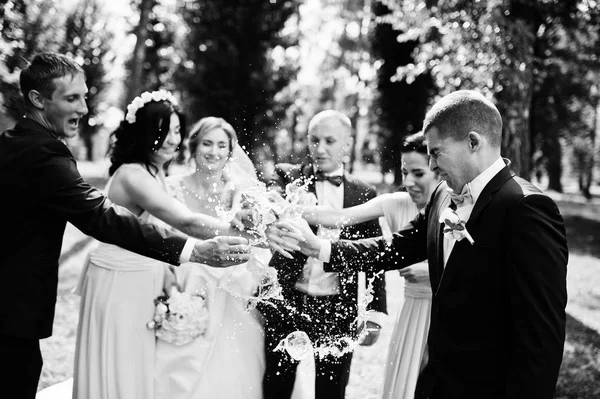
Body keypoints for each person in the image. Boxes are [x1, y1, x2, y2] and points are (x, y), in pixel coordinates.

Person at [0, 52, 256, 399]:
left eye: (85, 97)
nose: (84, 108)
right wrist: (194, 250)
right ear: (37, 99)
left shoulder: (15, 144)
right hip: (13, 310)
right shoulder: (44, 155)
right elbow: (103, 217)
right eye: (71, 98)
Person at [293, 90, 568, 399]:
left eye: (436, 152)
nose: (433, 165)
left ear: (473, 142)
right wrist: (320, 248)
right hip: (438, 380)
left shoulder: (526, 207)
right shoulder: (441, 195)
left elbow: (541, 337)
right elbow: (395, 246)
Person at [71, 95, 300, 399]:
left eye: (176, 130)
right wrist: (255, 234)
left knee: (137, 367)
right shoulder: (132, 174)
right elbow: (187, 222)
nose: (170, 140)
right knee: (120, 365)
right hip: (119, 279)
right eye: (162, 131)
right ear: (141, 132)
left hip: (145, 279)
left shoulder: (154, 173)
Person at [301, 132, 439, 399]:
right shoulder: (396, 204)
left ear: (438, 170)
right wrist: (288, 210)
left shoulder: (459, 206)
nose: (408, 182)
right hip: (412, 313)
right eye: (404, 172)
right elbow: (339, 217)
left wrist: (432, 273)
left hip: (443, 313)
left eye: (418, 174)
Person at [261, 110, 388, 399]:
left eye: (330, 141)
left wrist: (374, 313)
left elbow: (372, 254)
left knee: (332, 390)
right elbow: (269, 200)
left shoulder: (365, 194)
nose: (320, 148)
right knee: (276, 386)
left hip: (337, 307)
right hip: (287, 300)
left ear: (347, 144)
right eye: (314, 140)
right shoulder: (288, 176)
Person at [154, 116, 268, 398]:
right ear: (193, 147)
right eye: (207, 143)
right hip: (182, 288)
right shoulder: (170, 186)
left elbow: (257, 241)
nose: (213, 151)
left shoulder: (242, 192)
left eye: (221, 145)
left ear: (230, 151)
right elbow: (155, 235)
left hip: (231, 292)